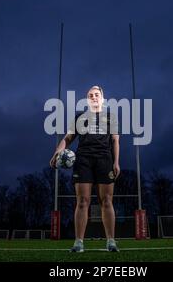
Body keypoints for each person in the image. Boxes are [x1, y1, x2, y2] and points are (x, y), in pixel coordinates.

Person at [50, 85, 120, 252]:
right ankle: (79, 242)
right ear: (87, 99)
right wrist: (56, 153)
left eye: (97, 94)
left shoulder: (111, 117)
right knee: (82, 201)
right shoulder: (80, 117)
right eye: (90, 95)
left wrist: (116, 162)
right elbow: (68, 138)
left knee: (107, 201)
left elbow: (115, 141)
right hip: (83, 160)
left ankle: (111, 241)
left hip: (105, 159)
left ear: (102, 98)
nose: (94, 97)